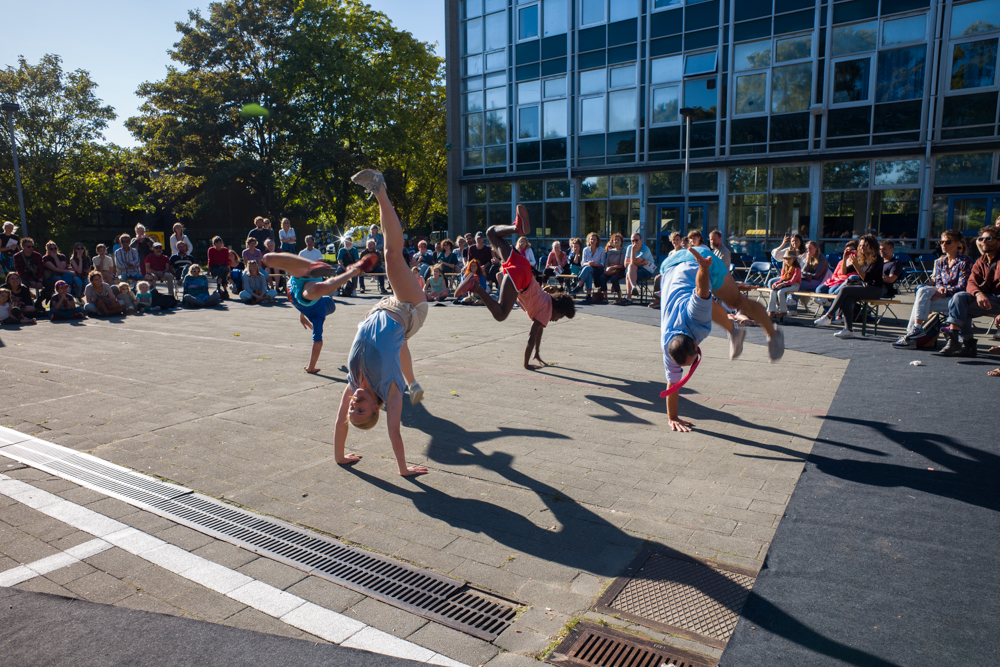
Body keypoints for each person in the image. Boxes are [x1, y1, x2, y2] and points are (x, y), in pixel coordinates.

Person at [330, 170, 437, 477]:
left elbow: (339, 423)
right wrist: (403, 469)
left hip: (383, 308)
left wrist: (339, 457)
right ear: (376, 408)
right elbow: (394, 432)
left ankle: (379, 191)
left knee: (386, 253)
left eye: (353, 409)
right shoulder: (390, 392)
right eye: (361, 409)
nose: (354, 405)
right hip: (409, 310)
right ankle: (380, 189)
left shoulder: (353, 383)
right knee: (391, 256)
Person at [453, 205, 576, 369]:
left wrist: (537, 352)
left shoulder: (546, 301)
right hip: (522, 279)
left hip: (523, 265)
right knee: (501, 314)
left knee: (491, 233)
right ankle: (476, 286)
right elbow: (531, 336)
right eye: (559, 317)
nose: (556, 320)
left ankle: (517, 227)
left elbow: (539, 331)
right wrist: (526, 364)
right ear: (558, 309)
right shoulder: (546, 312)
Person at [660, 246, 747, 432]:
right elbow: (672, 383)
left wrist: (704, 267)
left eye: (691, 362)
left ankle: (734, 328)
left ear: (694, 343)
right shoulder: (669, 346)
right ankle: (733, 327)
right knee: (709, 305)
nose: (690, 366)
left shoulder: (696, 319)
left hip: (695, 260)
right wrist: (672, 417)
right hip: (668, 267)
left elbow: (700, 289)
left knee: (726, 299)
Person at [265, 249, 376, 375]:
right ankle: (350, 272)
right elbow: (317, 341)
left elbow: (316, 337)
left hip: (301, 283)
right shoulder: (319, 316)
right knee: (322, 288)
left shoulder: (315, 311)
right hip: (302, 292)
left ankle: (315, 265)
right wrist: (310, 367)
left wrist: (302, 316)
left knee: (268, 258)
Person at [893, 230, 973, 349]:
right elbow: (938, 281)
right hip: (943, 297)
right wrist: (940, 288)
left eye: (948, 242)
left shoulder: (965, 262)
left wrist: (943, 291)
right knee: (922, 290)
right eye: (941, 242)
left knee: (920, 303)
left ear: (957, 244)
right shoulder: (940, 262)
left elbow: (963, 286)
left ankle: (911, 334)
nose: (943, 245)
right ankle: (916, 330)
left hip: (957, 301)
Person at [941, 226, 1000, 362]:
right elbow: (971, 282)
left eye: (989, 238)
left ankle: (958, 340)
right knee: (960, 299)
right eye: (981, 239)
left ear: (998, 242)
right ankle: (961, 342)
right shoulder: (981, 261)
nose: (984, 241)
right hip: (988, 299)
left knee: (960, 304)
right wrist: (978, 293)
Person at [814, 234, 884, 338]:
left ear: (872, 247)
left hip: (875, 289)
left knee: (845, 289)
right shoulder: (862, 259)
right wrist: (844, 258)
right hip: (864, 288)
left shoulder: (877, 260)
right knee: (847, 299)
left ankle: (828, 316)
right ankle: (849, 329)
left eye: (865, 245)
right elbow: (844, 271)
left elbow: (866, 278)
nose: (862, 248)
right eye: (860, 245)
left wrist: (856, 265)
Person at [766, 249, 802, 323]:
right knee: (773, 291)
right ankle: (771, 311)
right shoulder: (784, 268)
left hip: (795, 285)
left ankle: (783, 311)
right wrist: (776, 283)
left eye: (789, 259)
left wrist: (783, 284)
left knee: (781, 292)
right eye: (786, 259)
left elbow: (793, 281)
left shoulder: (797, 269)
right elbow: (781, 279)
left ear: (794, 259)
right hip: (786, 284)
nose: (787, 261)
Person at [622, 233, 655, 305]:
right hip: (635, 269)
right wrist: (642, 262)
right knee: (630, 268)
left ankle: (629, 298)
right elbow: (625, 264)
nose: (634, 242)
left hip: (647, 270)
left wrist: (633, 251)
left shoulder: (645, 249)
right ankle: (634, 287)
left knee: (628, 273)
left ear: (641, 240)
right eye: (632, 241)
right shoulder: (629, 247)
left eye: (636, 240)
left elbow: (633, 262)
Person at [13, 238, 46, 306]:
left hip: (36, 275)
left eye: (32, 246)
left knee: (50, 284)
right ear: (23, 246)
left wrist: (40, 280)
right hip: (24, 277)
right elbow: (20, 271)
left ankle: (39, 303)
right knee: (23, 286)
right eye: (28, 246)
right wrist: (31, 281)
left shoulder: (37, 255)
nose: (31, 248)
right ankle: (28, 304)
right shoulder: (17, 256)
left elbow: (41, 269)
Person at [575, 232, 606, 302]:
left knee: (587, 269)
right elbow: (582, 263)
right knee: (588, 271)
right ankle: (588, 296)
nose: (592, 241)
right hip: (588, 269)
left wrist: (594, 264)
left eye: (594, 239)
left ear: (597, 241)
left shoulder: (601, 250)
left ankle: (578, 286)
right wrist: (588, 263)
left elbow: (603, 263)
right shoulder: (585, 250)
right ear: (588, 240)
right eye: (591, 239)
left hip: (597, 269)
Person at [602, 233, 626, 301]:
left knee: (614, 278)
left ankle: (619, 297)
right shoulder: (610, 251)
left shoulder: (623, 251)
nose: (616, 241)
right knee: (602, 278)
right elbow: (607, 263)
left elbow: (622, 265)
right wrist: (606, 269)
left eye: (618, 240)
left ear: (621, 242)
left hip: (619, 270)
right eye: (615, 240)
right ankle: (605, 297)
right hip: (610, 270)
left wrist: (612, 268)